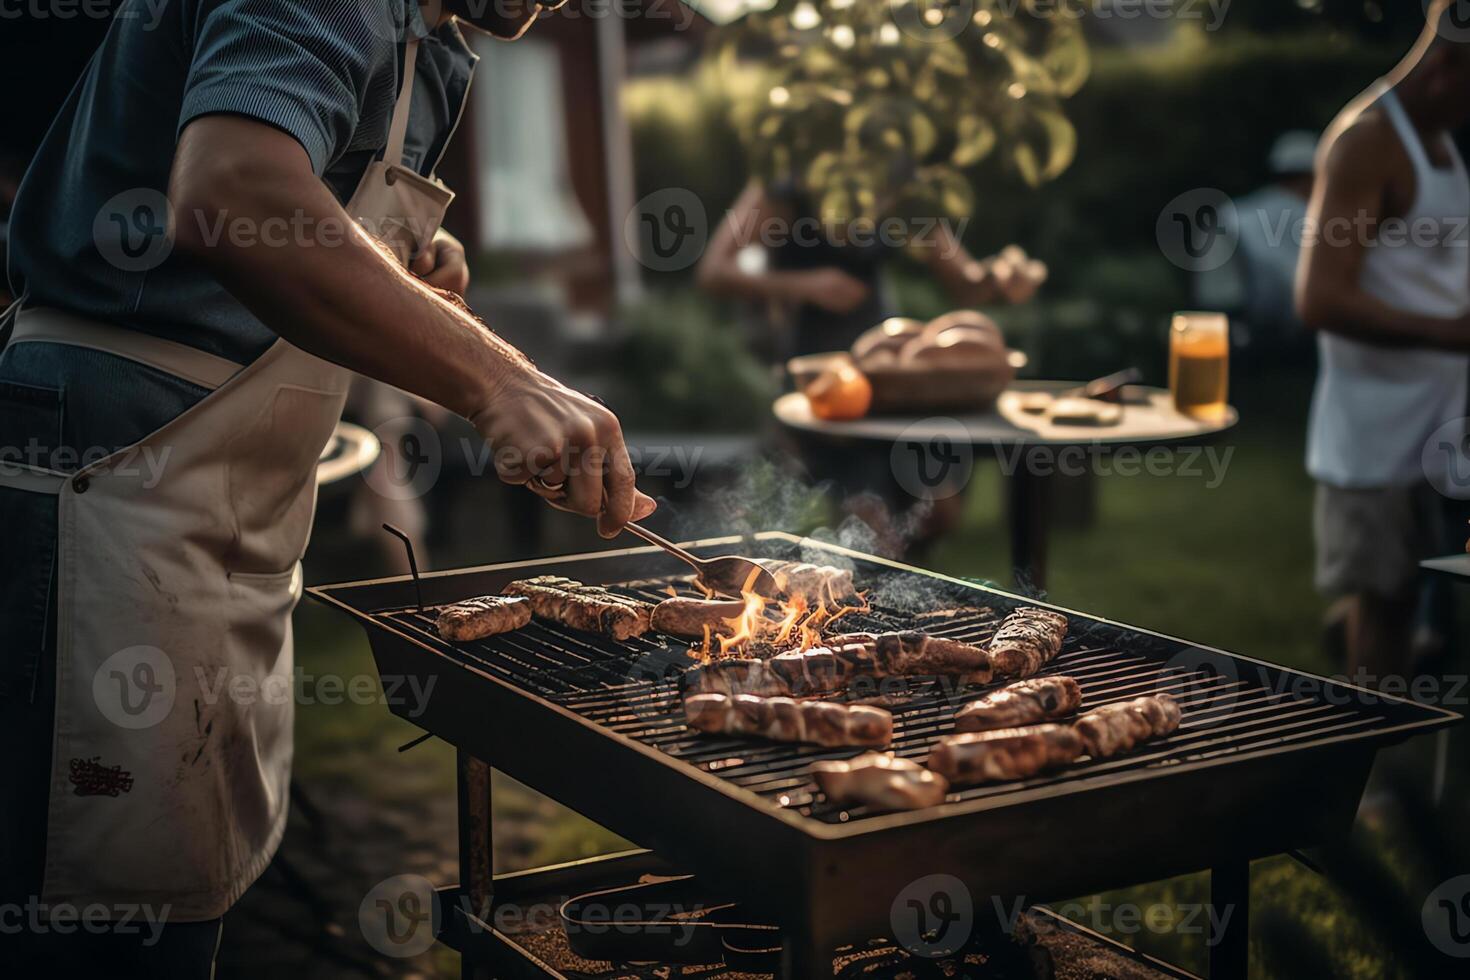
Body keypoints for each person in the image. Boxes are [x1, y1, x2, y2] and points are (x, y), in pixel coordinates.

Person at [0, 2, 654, 975]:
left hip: (226, 519)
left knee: (180, 893)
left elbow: (295, 227)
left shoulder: (437, 43)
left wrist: (399, 280)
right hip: (117, 479)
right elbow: (230, 189)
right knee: (105, 923)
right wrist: (502, 378)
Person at [1296, 0, 1470, 685]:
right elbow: (1321, 298)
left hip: (1443, 422)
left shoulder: (1440, 138)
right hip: (1374, 435)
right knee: (1387, 601)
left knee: (1414, 597)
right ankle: (1374, 787)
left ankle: (1365, 646)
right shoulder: (1368, 139)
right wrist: (1456, 335)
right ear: (1445, 69)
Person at [697, 180, 1046, 359]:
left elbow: (966, 285)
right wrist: (806, 285)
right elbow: (713, 271)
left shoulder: (898, 189)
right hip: (806, 361)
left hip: (884, 356)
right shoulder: (786, 182)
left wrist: (999, 281)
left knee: (936, 491)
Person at [1195, 130, 1317, 348]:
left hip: (1224, 329)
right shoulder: (1312, 215)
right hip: (1287, 338)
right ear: (1312, 175)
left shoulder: (1232, 212)